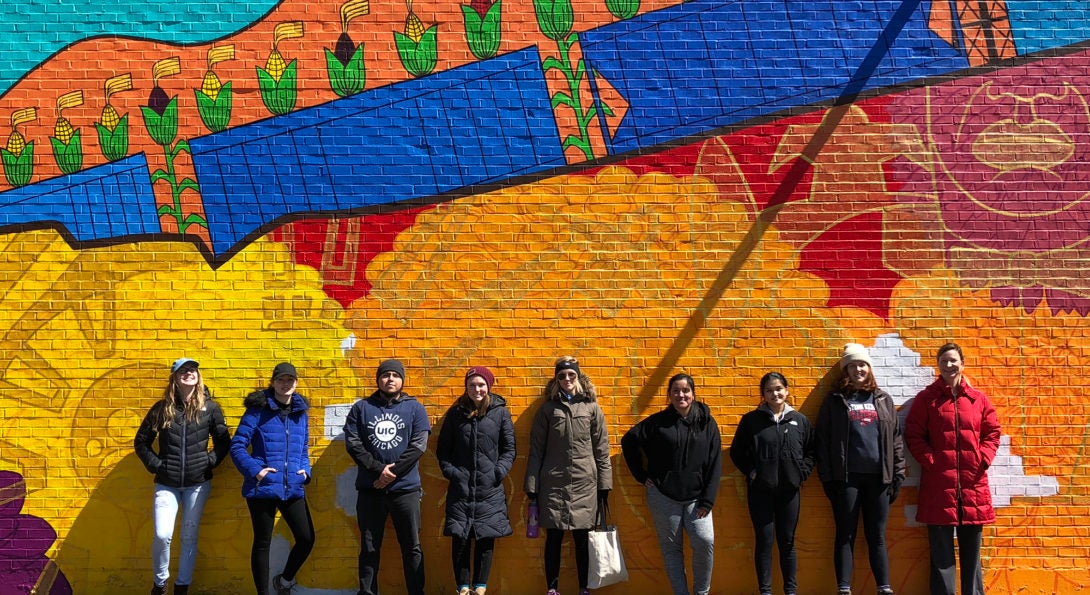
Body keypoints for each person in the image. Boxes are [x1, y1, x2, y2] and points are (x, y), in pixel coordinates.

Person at [905, 343, 1001, 595]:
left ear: (962, 363)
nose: (949, 365)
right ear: (938, 365)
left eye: (953, 360)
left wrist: (983, 459)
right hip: (938, 487)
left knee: (972, 556)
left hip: (973, 486)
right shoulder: (927, 399)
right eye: (944, 361)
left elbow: (992, 432)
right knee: (941, 556)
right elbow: (914, 435)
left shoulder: (978, 399)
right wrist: (932, 462)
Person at [133, 358, 231, 595]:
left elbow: (223, 442)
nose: (189, 373)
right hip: (167, 484)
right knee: (162, 534)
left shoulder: (210, 408)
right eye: (183, 370)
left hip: (198, 484)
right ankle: (160, 583)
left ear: (198, 376)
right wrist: (157, 465)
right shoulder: (161, 408)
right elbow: (141, 442)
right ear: (175, 378)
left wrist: (208, 462)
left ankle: (182, 586)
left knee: (189, 535)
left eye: (193, 370)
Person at [815, 343, 906, 595]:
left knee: (876, 535)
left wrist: (897, 474)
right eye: (853, 365)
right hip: (847, 480)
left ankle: (884, 588)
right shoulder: (835, 401)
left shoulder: (883, 399)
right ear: (846, 370)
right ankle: (844, 588)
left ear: (869, 368)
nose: (858, 369)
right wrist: (827, 479)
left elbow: (896, 439)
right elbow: (822, 440)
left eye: (862, 364)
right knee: (845, 533)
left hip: (879, 478)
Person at [622, 372, 722, 595]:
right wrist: (641, 475)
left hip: (697, 499)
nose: (681, 395)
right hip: (663, 497)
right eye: (675, 391)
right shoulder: (658, 423)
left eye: (685, 390)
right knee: (671, 549)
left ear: (693, 394)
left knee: (704, 541)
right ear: (669, 395)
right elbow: (629, 440)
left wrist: (708, 500)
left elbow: (715, 463)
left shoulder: (706, 422)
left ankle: (701, 592)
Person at [524, 356, 612, 595]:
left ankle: (584, 588)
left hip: (585, 484)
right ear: (556, 379)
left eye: (571, 375)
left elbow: (602, 449)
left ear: (578, 377)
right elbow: (536, 450)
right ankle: (552, 589)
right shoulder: (547, 410)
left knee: (583, 540)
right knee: (553, 538)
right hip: (553, 484)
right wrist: (532, 486)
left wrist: (605, 485)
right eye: (561, 376)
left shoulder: (592, 408)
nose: (566, 380)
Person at [343, 359, 431, 595]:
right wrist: (377, 470)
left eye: (395, 375)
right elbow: (353, 444)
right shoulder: (361, 408)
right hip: (371, 490)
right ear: (378, 379)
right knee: (370, 547)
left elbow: (419, 446)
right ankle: (368, 592)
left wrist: (391, 473)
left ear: (402, 380)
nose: (390, 379)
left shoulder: (415, 409)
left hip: (406, 491)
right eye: (385, 375)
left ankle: (416, 592)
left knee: (412, 547)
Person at [230, 362, 315, 595]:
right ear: (273, 382)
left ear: (296, 383)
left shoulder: (300, 413)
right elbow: (237, 446)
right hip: (263, 487)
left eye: (290, 380)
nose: (285, 384)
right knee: (262, 543)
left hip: (292, 487)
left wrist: (305, 471)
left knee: (306, 538)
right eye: (281, 380)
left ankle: (285, 580)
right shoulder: (257, 410)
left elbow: (304, 447)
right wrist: (256, 470)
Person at [729, 372, 814, 595]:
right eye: (769, 390)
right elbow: (737, 452)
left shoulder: (799, 420)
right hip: (760, 492)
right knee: (764, 542)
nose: (774, 393)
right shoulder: (751, 421)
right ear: (763, 394)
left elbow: (812, 451)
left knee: (787, 542)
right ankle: (765, 591)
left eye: (778, 389)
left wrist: (801, 473)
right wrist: (753, 472)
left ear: (786, 391)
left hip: (789, 492)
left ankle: (790, 590)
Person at [436, 366, 516, 595]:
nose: (476, 389)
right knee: (460, 539)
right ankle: (462, 588)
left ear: (488, 386)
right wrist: (453, 473)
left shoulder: (500, 413)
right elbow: (443, 450)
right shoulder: (455, 414)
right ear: (466, 387)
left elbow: (509, 449)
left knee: (485, 538)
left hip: (489, 489)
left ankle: (480, 587)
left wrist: (497, 472)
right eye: (472, 385)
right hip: (460, 488)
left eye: (481, 385)